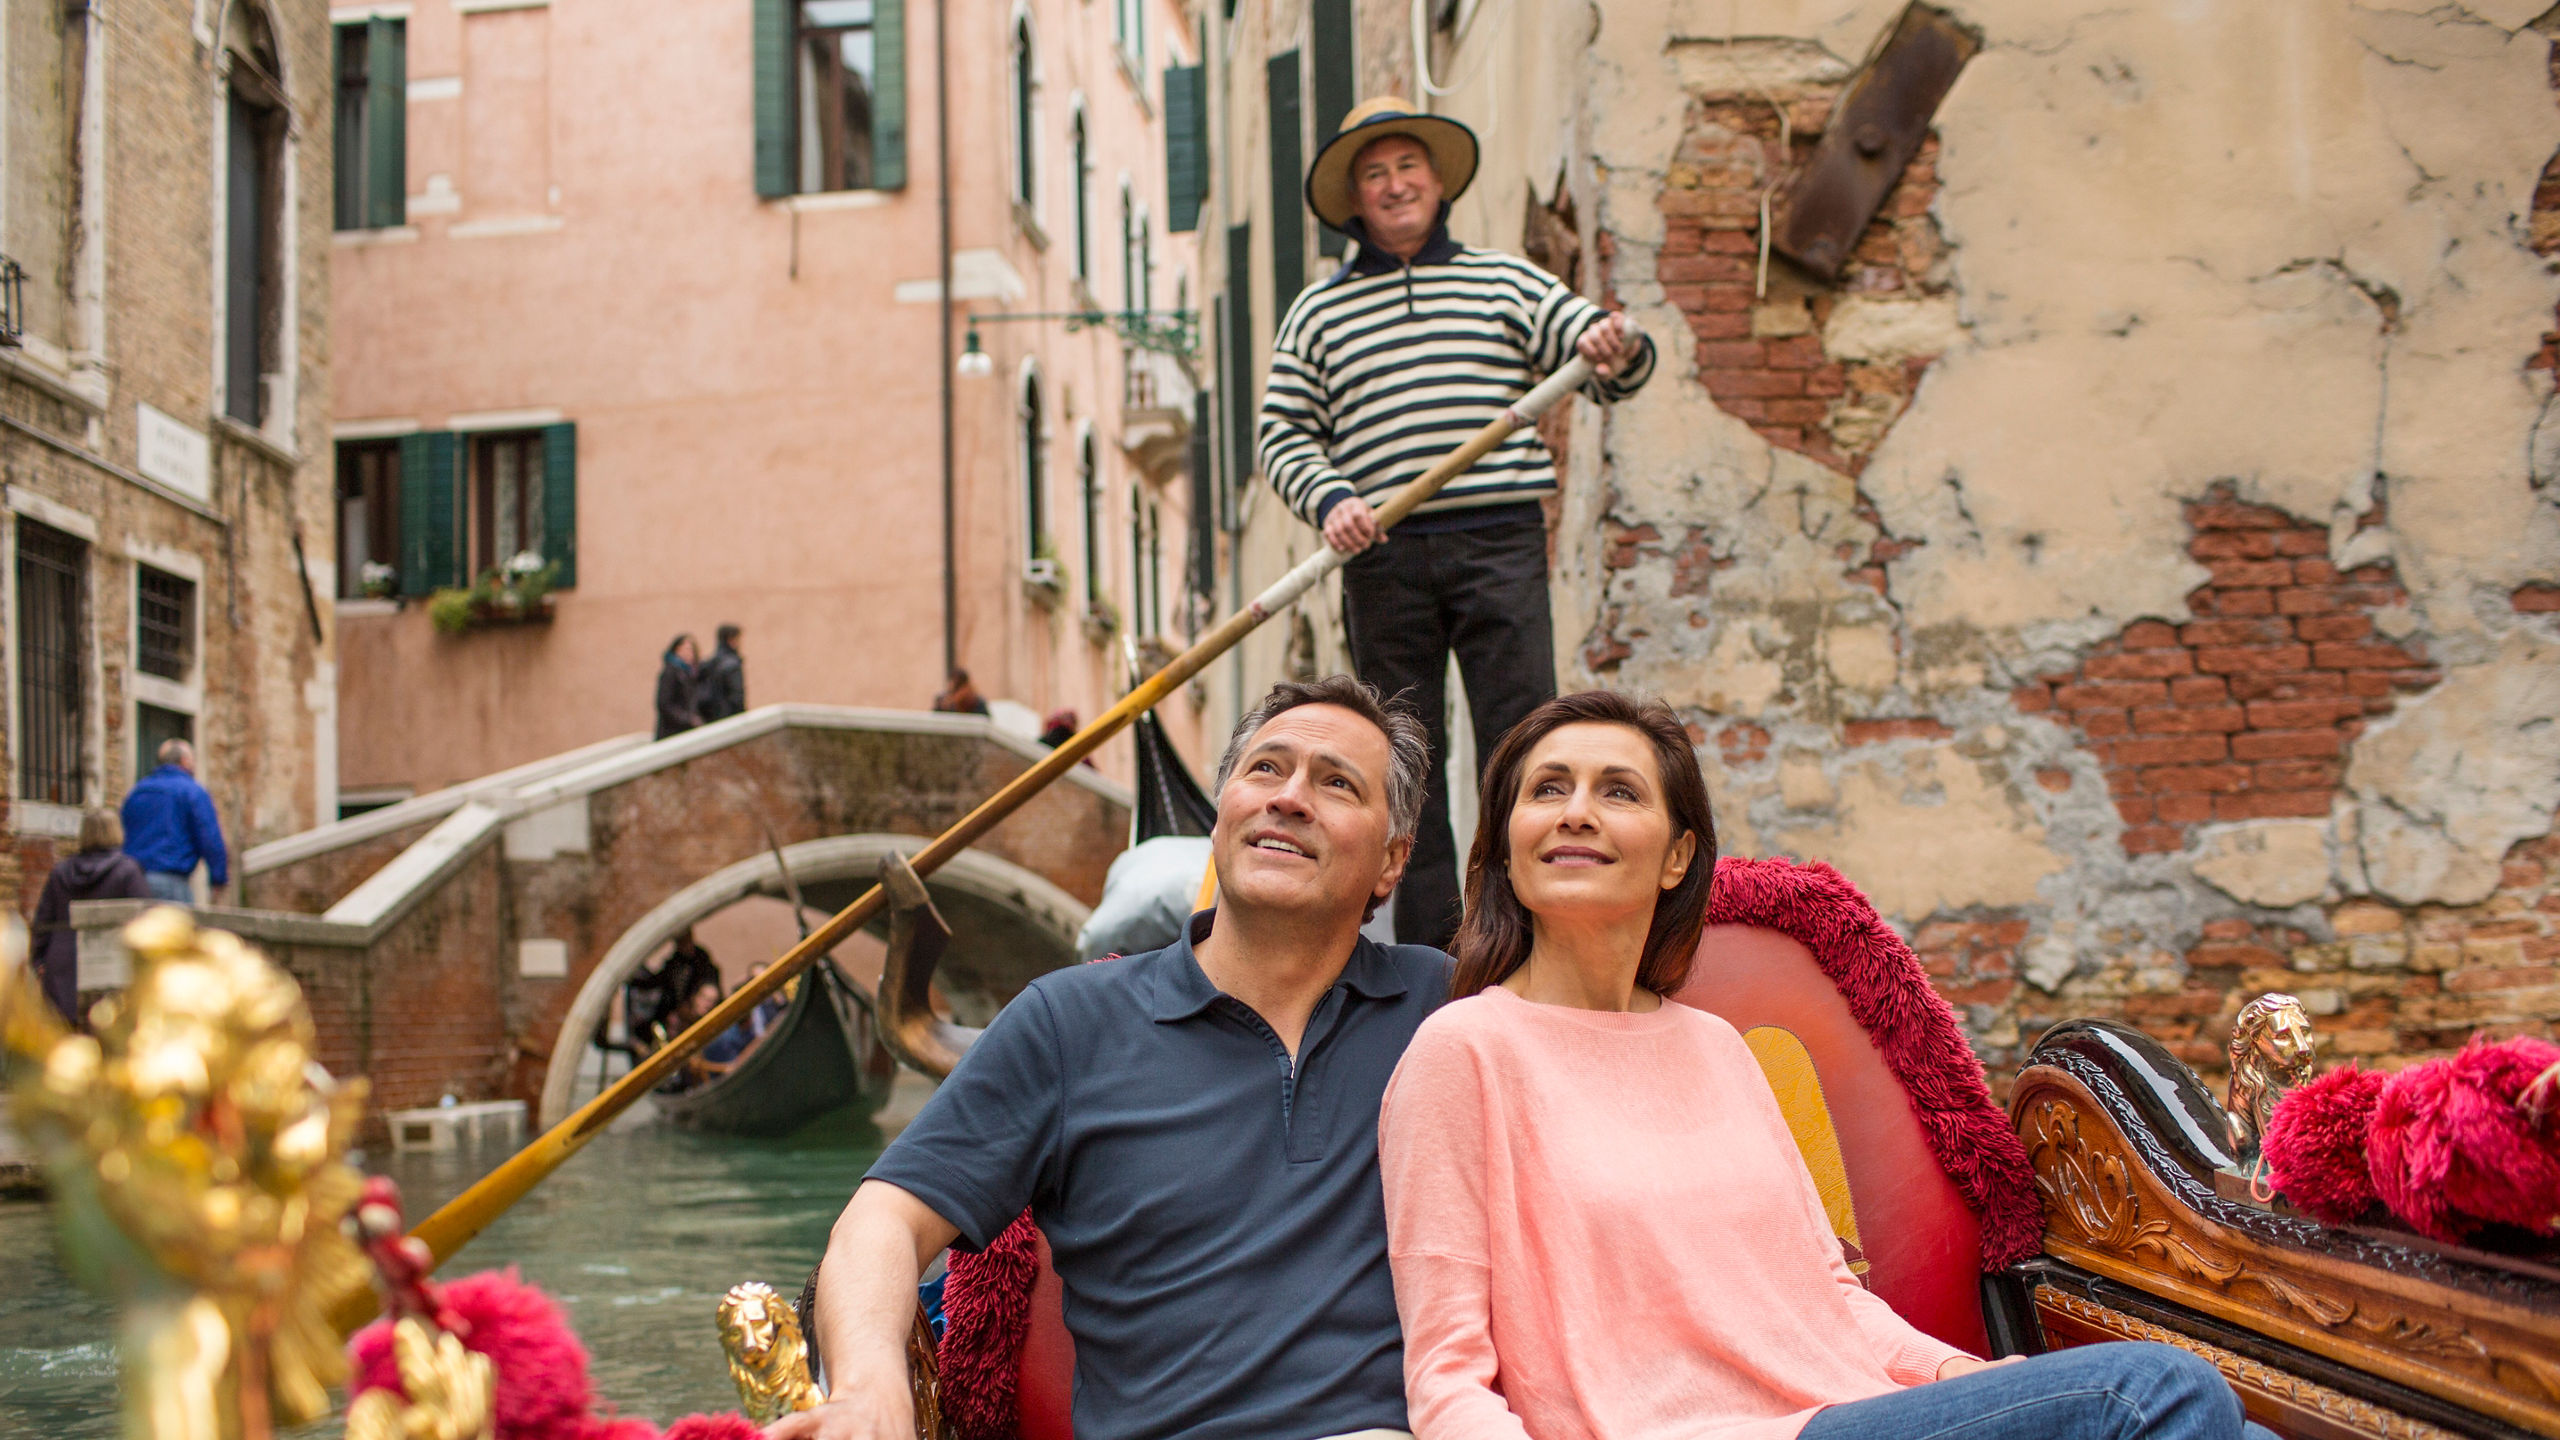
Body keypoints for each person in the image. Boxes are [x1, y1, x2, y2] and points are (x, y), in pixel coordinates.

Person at [1379, 691, 2276, 1440]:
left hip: (1847, 1411)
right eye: (1548, 789)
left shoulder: (1715, 1048)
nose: (1578, 811)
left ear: (1679, 854)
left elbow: (1829, 1298)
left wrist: (1971, 1381)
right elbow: (1449, 1378)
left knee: (2250, 1431)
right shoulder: (1464, 1053)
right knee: (2156, 1392)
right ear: (1505, 845)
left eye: (1618, 791)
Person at [772, 675, 1444, 1440]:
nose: (1288, 797)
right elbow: (883, 1220)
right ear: (1221, 813)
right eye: (1264, 768)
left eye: (1336, 783)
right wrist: (867, 1389)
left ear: (1393, 862)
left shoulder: (1448, 1010)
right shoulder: (1069, 1021)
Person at [1259, 98, 1656, 950]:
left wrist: (1616, 345)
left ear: (1436, 182)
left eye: (1407, 167)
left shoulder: (1503, 280)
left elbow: (1598, 357)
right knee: (1407, 756)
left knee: (1522, 738)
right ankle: (1435, 951)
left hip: (1498, 538)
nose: (1394, 185)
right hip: (1384, 554)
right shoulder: (1316, 314)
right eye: (1375, 174)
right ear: (1355, 199)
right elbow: (1281, 434)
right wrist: (1331, 500)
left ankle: (1528, 927)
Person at [27, 808, 150, 1024]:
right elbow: (147, 922)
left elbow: (43, 922)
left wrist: (39, 961)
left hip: (63, 962)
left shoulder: (61, 871)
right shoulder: (128, 872)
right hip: (110, 962)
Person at [120, 738, 228, 905]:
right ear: (185, 761)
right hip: (172, 884)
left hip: (135, 882)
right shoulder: (193, 791)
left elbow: (123, 831)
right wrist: (218, 878)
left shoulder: (137, 791)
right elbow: (210, 838)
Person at [625, 929, 721, 1052]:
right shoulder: (675, 961)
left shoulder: (701, 961)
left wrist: (691, 1004)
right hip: (676, 1013)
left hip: (691, 1014)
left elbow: (709, 983)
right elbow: (658, 981)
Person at [696, 623, 747, 723]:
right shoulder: (732, 664)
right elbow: (737, 697)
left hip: (713, 719)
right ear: (731, 640)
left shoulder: (710, 663)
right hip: (730, 719)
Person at [656, 634, 702, 739]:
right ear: (677, 650)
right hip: (672, 732)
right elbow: (664, 703)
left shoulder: (690, 673)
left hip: (684, 731)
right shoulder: (671, 673)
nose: (691, 654)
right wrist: (687, 719)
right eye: (688, 649)